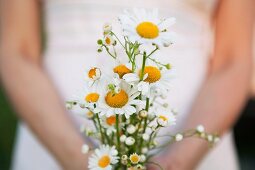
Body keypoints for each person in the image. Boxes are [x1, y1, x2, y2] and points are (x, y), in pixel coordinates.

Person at [0, 0, 254, 169]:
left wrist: (178, 161)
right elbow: (17, 50)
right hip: (53, 142)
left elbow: (232, 59)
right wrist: (78, 158)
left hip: (196, 149)